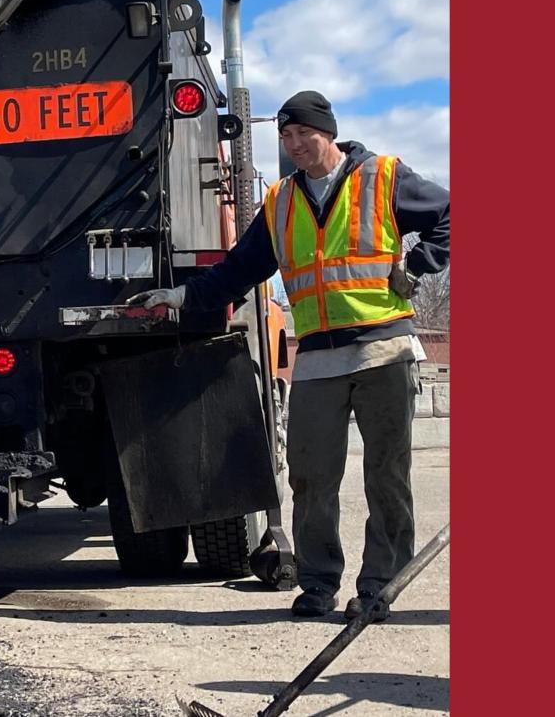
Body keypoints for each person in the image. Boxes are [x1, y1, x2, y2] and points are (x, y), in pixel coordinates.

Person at [129, 91, 449, 621]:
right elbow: (238, 269)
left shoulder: (383, 177)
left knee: (386, 475)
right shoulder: (279, 201)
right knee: (310, 477)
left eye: (305, 133)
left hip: (384, 349)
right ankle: (319, 583)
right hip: (319, 359)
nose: (296, 144)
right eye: (286, 136)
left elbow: (449, 213)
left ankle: (379, 587)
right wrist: (181, 296)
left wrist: (417, 263)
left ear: (329, 131)